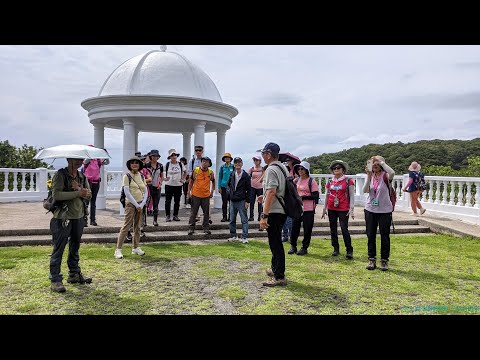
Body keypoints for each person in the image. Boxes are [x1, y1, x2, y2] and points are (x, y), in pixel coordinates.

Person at [49, 157, 92, 293]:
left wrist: (79, 188)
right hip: (63, 217)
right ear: (68, 160)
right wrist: (78, 192)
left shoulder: (81, 176)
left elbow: (89, 195)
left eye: (80, 159)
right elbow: (57, 195)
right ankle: (55, 279)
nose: (79, 162)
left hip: (79, 216)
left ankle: (74, 274)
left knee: (75, 246)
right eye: (75, 159)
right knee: (59, 248)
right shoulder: (60, 175)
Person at [258, 142, 288, 287]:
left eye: (263, 154)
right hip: (281, 209)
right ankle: (275, 269)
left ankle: (279, 276)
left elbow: (271, 191)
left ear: (269, 154)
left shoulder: (271, 169)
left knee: (275, 243)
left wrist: (264, 215)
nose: (262, 156)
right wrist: (263, 197)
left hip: (274, 211)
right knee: (275, 242)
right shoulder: (283, 167)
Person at [363, 155, 395, 271]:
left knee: (384, 236)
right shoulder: (371, 176)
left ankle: (384, 261)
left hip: (385, 210)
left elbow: (392, 173)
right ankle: (371, 259)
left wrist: (381, 162)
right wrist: (368, 176)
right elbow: (365, 190)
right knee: (370, 235)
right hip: (370, 209)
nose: (375, 165)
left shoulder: (386, 176)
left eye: (377, 164)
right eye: (373, 164)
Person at [115, 156, 148, 259]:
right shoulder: (127, 176)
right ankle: (118, 250)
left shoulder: (142, 176)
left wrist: (142, 204)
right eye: (132, 163)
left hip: (140, 204)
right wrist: (137, 205)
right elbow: (127, 192)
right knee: (126, 226)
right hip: (131, 204)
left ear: (139, 165)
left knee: (138, 227)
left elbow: (145, 191)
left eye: (137, 163)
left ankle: (136, 247)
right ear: (129, 165)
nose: (135, 164)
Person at [321, 160, 355, 259]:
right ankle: (335, 248)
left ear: (343, 169)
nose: (336, 169)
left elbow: (352, 196)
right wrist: (324, 208)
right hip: (332, 208)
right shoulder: (330, 181)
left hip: (343, 208)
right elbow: (327, 195)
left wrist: (351, 209)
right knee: (333, 229)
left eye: (338, 168)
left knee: (344, 229)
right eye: (334, 168)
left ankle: (349, 250)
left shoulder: (348, 181)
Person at [288, 161, 319, 256]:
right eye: (298, 169)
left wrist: (303, 197)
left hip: (308, 209)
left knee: (307, 229)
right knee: (294, 228)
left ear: (306, 170)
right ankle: (293, 246)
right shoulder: (296, 180)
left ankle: (304, 247)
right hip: (298, 208)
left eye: (302, 169)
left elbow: (315, 196)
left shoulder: (311, 181)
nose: (300, 170)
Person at [187, 156, 215, 235]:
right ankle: (191, 228)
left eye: (206, 161)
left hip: (206, 196)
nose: (204, 162)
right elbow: (191, 182)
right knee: (193, 213)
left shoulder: (210, 172)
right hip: (195, 195)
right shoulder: (196, 170)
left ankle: (206, 228)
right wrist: (188, 192)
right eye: (203, 161)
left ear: (209, 164)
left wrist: (212, 191)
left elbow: (213, 181)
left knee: (206, 213)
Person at [82, 147, 109, 227]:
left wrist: (105, 154)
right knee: (86, 202)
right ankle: (84, 219)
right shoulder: (87, 160)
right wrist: (92, 154)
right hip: (87, 183)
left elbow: (107, 162)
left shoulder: (98, 160)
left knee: (93, 202)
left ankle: (92, 220)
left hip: (96, 182)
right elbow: (85, 161)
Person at [227, 157, 251, 243]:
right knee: (232, 219)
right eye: (236, 163)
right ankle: (233, 236)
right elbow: (229, 185)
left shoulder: (246, 175)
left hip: (242, 200)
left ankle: (244, 237)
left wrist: (248, 201)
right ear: (234, 164)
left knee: (244, 219)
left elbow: (249, 189)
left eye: (239, 163)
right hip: (233, 200)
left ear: (242, 164)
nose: (238, 164)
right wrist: (230, 193)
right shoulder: (232, 174)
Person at [164, 148, 185, 222]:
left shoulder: (180, 164)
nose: (174, 156)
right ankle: (167, 216)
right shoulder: (167, 164)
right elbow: (162, 173)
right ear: (170, 157)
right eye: (172, 155)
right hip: (169, 185)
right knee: (168, 201)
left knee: (177, 201)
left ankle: (175, 215)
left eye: (175, 155)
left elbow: (185, 172)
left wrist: (183, 179)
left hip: (178, 185)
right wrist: (164, 178)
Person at [145, 149, 164, 226]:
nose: (155, 157)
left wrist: (160, 183)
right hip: (148, 187)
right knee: (146, 204)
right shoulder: (146, 165)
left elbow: (162, 175)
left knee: (156, 205)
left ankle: (155, 220)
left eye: (156, 156)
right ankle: (144, 221)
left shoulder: (160, 165)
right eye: (153, 156)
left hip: (157, 187)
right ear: (150, 156)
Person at [218, 152, 234, 222]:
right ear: (224, 159)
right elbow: (220, 177)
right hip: (223, 186)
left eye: (228, 158)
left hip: (231, 187)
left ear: (230, 159)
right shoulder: (222, 167)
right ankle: (224, 216)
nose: (227, 159)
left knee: (231, 203)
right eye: (226, 158)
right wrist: (219, 187)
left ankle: (231, 217)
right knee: (224, 203)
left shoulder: (233, 167)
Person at [248, 155, 264, 221]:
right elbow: (248, 178)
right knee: (251, 202)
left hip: (260, 187)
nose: (255, 161)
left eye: (257, 160)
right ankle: (251, 216)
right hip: (252, 187)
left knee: (260, 202)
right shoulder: (251, 169)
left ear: (260, 161)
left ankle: (260, 216)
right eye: (254, 160)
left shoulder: (263, 169)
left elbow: (264, 177)